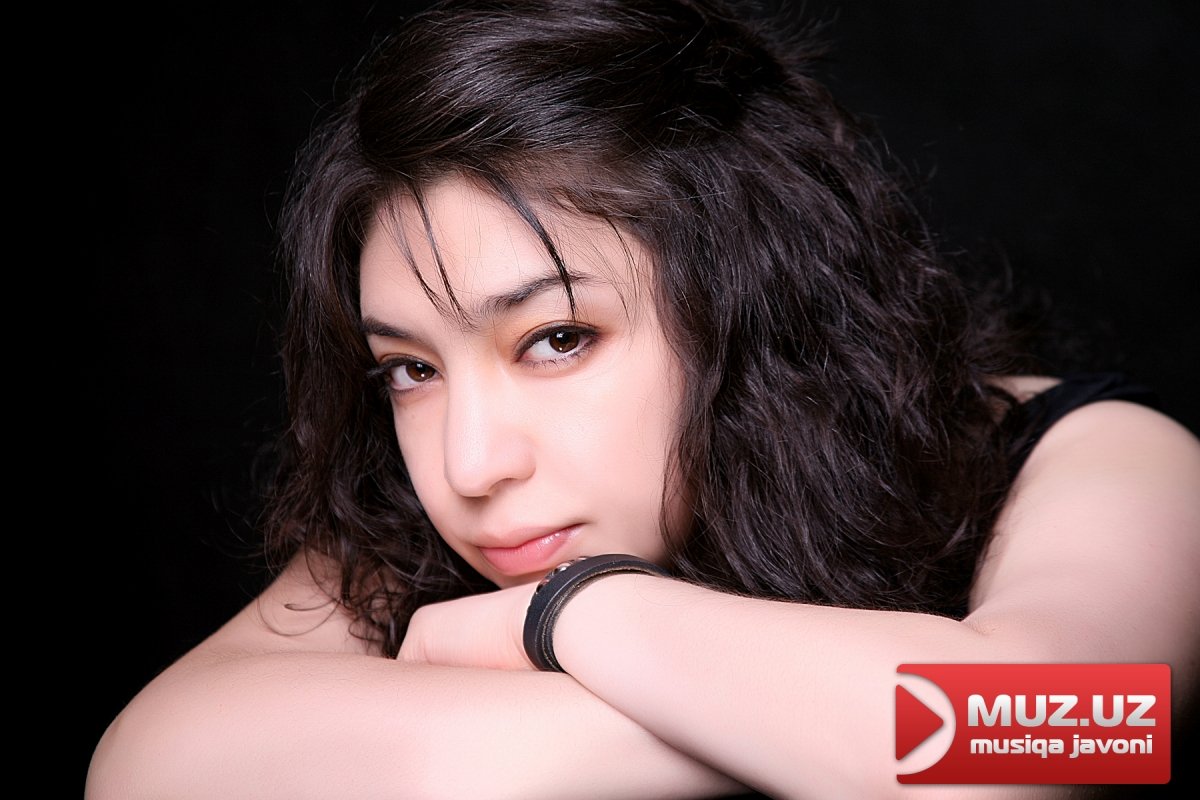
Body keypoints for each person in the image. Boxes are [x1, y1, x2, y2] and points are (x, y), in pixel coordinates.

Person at [86, 0, 1200, 797]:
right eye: (411, 370)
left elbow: (1060, 737)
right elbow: (149, 765)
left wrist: (570, 613)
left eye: (556, 339)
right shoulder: (406, 535)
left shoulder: (1089, 450)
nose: (470, 465)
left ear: (752, 312)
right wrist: (827, 726)